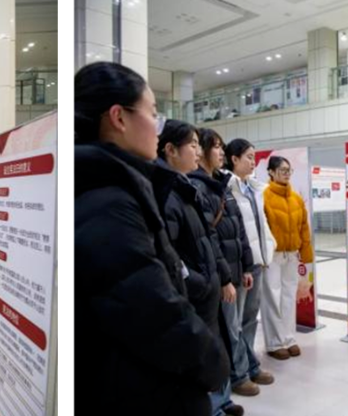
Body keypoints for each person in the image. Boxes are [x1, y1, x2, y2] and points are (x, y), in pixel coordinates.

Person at [75, 61, 228, 416]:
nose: (157, 128)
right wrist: (213, 363)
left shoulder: (122, 187)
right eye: (153, 113)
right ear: (119, 117)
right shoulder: (110, 202)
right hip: (142, 391)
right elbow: (153, 312)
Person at [155, 119, 243, 416]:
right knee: (198, 356)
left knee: (213, 348)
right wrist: (201, 282)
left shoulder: (185, 188)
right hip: (195, 293)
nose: (197, 151)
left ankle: (219, 403)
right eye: (192, 145)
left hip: (207, 289)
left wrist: (218, 277)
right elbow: (167, 254)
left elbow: (207, 238)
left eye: (198, 144)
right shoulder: (168, 194)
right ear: (170, 150)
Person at [189, 128, 257, 404]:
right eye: (215, 146)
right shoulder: (197, 186)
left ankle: (242, 372)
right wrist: (226, 278)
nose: (221, 152)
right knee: (229, 329)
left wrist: (247, 266)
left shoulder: (223, 183)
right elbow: (210, 237)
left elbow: (239, 228)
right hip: (222, 273)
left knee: (240, 324)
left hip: (236, 267)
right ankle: (236, 378)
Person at [222, 138, 275, 392]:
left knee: (251, 319)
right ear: (234, 159)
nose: (254, 162)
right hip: (240, 264)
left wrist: (268, 250)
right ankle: (238, 373)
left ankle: (251, 364)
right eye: (249, 157)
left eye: (255, 157)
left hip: (257, 262)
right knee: (235, 323)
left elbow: (261, 224)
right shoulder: (226, 188)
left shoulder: (254, 188)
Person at [261, 155, 314, 360]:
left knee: (289, 297)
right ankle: (274, 343)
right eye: (282, 170)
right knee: (272, 298)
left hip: (291, 255)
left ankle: (289, 338)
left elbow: (304, 229)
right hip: (272, 256)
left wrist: (306, 255)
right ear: (271, 172)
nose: (286, 174)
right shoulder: (263, 196)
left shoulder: (296, 198)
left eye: (288, 170)